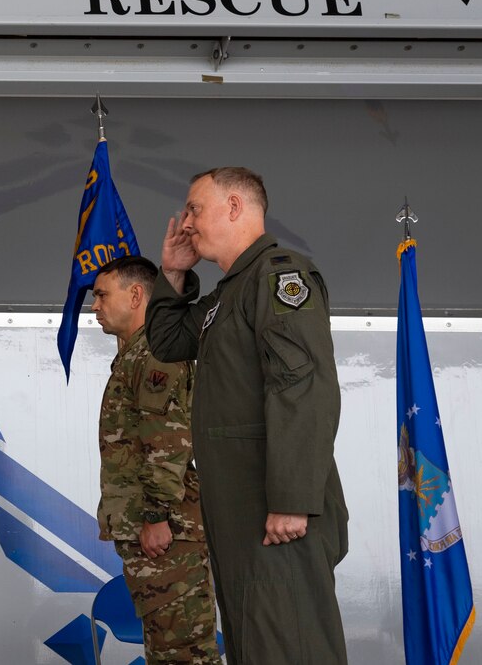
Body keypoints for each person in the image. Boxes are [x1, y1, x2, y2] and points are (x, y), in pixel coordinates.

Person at [144, 167, 348, 665]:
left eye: (194, 207)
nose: (186, 221)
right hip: (243, 515)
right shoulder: (228, 293)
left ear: (234, 207)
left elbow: (302, 387)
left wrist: (293, 500)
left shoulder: (279, 276)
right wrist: (172, 272)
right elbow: (169, 342)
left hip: (275, 512)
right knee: (257, 647)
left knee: (290, 646)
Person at [91, 255, 222, 664]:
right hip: (161, 531)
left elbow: (167, 442)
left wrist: (157, 516)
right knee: (168, 653)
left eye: (101, 295)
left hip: (168, 533)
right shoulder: (137, 353)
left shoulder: (154, 353)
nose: (94, 306)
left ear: (135, 295)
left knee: (184, 655)